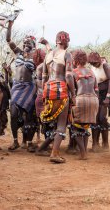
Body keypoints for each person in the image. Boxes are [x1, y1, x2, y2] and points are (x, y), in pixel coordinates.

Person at [39, 31, 74, 163]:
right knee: (61, 124)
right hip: (61, 89)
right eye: (68, 40)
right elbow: (69, 76)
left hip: (48, 88)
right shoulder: (67, 54)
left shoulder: (48, 55)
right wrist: (74, 94)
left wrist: (44, 93)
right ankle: (54, 153)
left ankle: (44, 148)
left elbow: (43, 77)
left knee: (54, 121)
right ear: (65, 41)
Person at [5, 18, 37, 151]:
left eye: (29, 41)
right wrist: (10, 25)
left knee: (29, 115)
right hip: (17, 87)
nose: (26, 43)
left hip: (30, 87)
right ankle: (15, 141)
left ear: (33, 44)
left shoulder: (36, 56)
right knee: (13, 114)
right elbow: (8, 40)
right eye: (24, 42)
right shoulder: (18, 53)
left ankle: (29, 142)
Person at [70, 50, 99, 160]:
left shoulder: (74, 72)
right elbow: (96, 89)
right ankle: (84, 151)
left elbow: (72, 91)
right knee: (86, 127)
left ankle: (83, 153)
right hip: (93, 100)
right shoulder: (91, 72)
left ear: (75, 60)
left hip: (81, 99)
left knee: (75, 127)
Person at [88, 52, 110, 152]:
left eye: (95, 63)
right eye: (92, 64)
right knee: (95, 119)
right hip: (96, 95)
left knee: (102, 118)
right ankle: (95, 144)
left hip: (106, 94)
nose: (94, 65)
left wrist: (108, 97)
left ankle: (106, 144)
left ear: (99, 61)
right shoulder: (92, 67)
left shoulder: (105, 65)